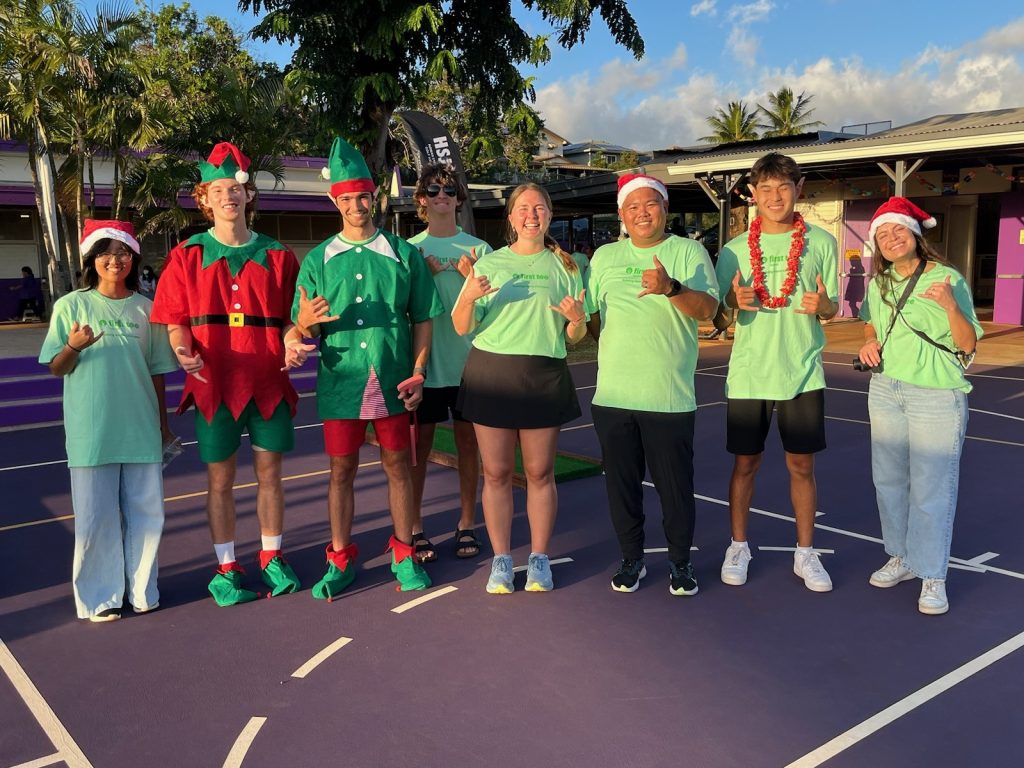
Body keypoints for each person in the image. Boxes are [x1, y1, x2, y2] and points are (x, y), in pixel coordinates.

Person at [284, 136, 442, 597]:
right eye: (347, 198)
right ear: (336, 202)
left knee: (398, 464)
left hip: (392, 374)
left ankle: (404, 551)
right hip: (341, 379)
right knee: (340, 470)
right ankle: (339, 557)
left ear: (374, 197)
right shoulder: (317, 260)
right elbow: (305, 330)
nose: (357, 205)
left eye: (363, 196)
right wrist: (304, 324)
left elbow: (423, 318)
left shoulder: (402, 253)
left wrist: (419, 370)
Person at [151, 142, 305, 607]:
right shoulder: (187, 256)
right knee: (219, 481)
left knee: (270, 475)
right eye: (218, 189)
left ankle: (272, 557)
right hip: (212, 384)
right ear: (204, 198)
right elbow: (176, 321)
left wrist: (294, 341)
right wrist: (183, 351)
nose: (229, 197)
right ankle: (225, 567)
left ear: (249, 196)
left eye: (237, 188)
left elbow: (291, 321)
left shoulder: (279, 255)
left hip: (268, 382)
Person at [586, 174, 718, 595]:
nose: (642, 213)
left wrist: (670, 288)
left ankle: (681, 562)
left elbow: (709, 310)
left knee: (675, 489)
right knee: (621, 488)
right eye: (633, 207)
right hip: (613, 396)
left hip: (669, 396)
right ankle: (632, 559)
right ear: (622, 214)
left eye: (651, 204)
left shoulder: (688, 251)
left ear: (664, 209)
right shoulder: (604, 257)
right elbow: (591, 315)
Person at [39, 220, 178, 621]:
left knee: (147, 517)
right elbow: (56, 368)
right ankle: (100, 598)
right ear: (92, 259)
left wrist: (162, 426)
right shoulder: (71, 306)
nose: (113, 260)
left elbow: (157, 372)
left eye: (121, 253)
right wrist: (72, 346)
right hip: (92, 431)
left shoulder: (147, 309)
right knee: (95, 519)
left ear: (133, 258)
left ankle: (142, 592)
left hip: (139, 429)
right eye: (105, 253)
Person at [452, 182, 586, 594]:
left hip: (543, 374)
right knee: (495, 473)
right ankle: (502, 560)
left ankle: (540, 560)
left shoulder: (568, 265)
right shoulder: (489, 264)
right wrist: (470, 295)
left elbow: (575, 335)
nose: (532, 215)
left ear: (550, 215)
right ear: (510, 218)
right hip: (491, 374)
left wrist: (578, 319)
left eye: (540, 207)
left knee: (540, 472)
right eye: (523, 208)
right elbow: (461, 325)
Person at [715, 152, 839, 592]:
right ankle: (739, 545)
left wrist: (824, 307)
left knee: (801, 466)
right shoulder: (732, 251)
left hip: (803, 372)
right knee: (744, 463)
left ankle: (805, 553)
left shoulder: (822, 243)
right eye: (765, 189)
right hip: (749, 372)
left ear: (798, 190)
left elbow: (833, 306)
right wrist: (733, 303)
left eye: (783, 187)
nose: (774, 197)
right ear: (752, 194)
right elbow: (718, 312)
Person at [857, 196, 981, 615]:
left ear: (914, 233)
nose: (891, 239)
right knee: (888, 481)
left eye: (897, 230)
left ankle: (933, 574)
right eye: (883, 234)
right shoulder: (880, 283)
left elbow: (968, 343)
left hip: (935, 394)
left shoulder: (947, 278)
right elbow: (873, 320)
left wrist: (948, 305)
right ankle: (902, 557)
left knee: (932, 488)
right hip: (886, 388)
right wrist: (870, 341)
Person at [406, 164, 492, 563]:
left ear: (459, 198)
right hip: (424, 367)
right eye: (433, 190)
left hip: (468, 367)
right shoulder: (408, 250)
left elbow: (492, 311)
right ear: (421, 200)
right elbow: (399, 309)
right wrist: (418, 277)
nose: (442, 195)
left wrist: (472, 277)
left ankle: (466, 523)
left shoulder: (479, 250)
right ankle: (415, 527)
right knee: (418, 450)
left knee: (468, 446)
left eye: (449, 190)